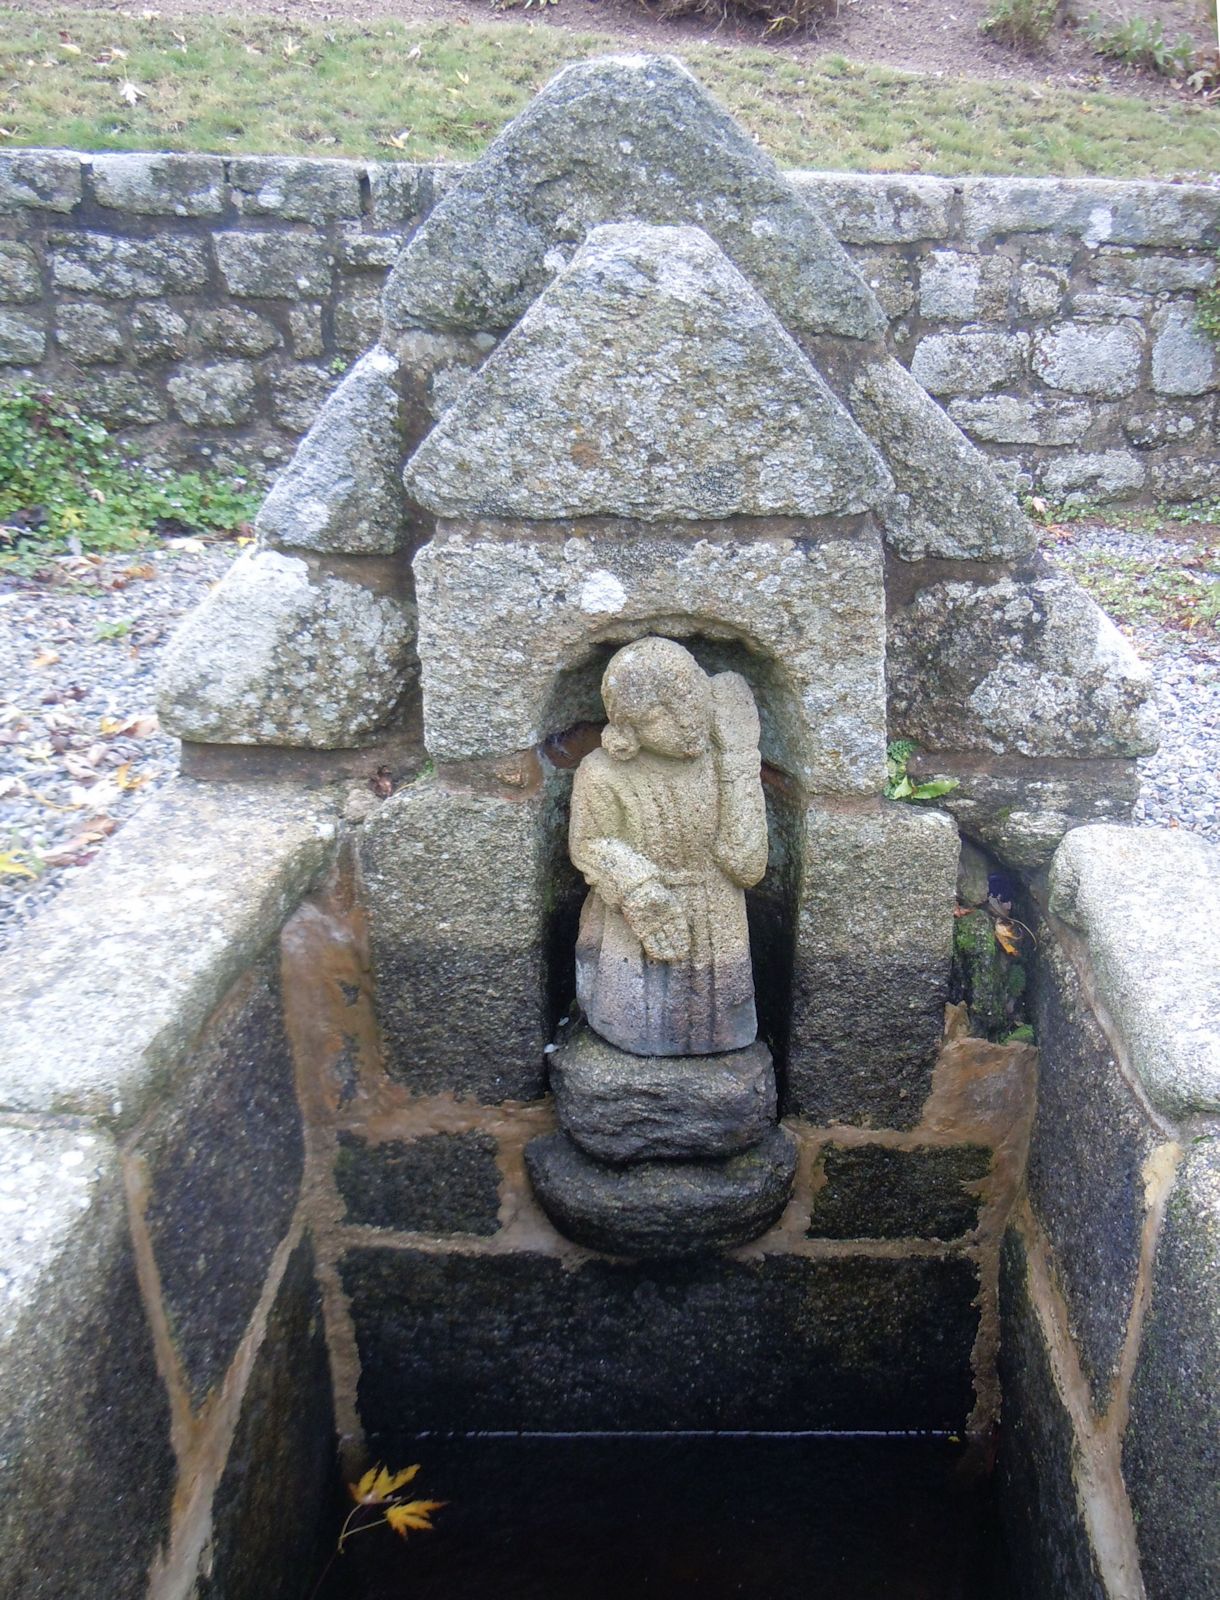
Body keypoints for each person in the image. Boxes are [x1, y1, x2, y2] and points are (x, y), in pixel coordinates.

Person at [569, 636, 768, 1057]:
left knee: (722, 1029)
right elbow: (588, 843)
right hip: (635, 917)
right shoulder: (601, 773)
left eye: (693, 702)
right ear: (628, 725)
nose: (687, 722)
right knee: (634, 1023)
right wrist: (638, 890)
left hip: (718, 918)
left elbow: (747, 865)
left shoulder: (722, 763)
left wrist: (740, 760)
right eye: (664, 714)